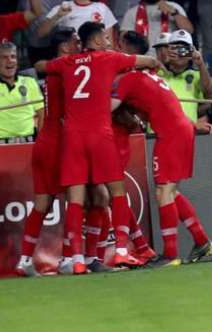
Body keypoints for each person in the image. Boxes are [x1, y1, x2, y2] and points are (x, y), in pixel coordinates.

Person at [36, 21, 161, 274]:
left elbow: (41, 67)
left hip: (72, 137)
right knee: (117, 191)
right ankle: (123, 252)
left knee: (75, 198)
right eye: (104, 37)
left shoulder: (66, 63)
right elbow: (147, 61)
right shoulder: (110, 58)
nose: (107, 41)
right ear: (94, 42)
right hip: (100, 134)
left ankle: (78, 260)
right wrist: (152, 67)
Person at [112, 70, 212, 267]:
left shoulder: (125, 80)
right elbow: (166, 103)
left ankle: (170, 254)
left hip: (171, 133)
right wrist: (192, 124)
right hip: (180, 128)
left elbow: (110, 107)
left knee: (163, 192)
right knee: (170, 191)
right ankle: (202, 241)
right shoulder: (147, 77)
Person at [15, 28, 81, 277]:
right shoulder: (66, 71)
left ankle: (24, 260)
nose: (79, 45)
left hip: (43, 142)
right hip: (59, 144)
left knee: (42, 204)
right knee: (71, 201)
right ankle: (66, 258)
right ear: (64, 47)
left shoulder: (51, 71)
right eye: (75, 42)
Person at [0, 43, 43, 143]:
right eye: (4, 57)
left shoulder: (30, 81)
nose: (10, 60)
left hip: (29, 141)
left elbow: (41, 113)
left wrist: (41, 140)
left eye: (13, 57)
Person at [120, 0, 193, 55]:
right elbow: (123, 42)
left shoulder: (174, 7)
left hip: (170, 58)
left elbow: (189, 31)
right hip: (142, 59)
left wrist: (174, 12)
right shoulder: (131, 12)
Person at [159, 29, 211, 131]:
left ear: (191, 53)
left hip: (186, 131)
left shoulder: (196, 74)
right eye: (176, 48)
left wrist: (200, 63)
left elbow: (206, 87)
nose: (180, 53)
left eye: (184, 50)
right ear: (169, 50)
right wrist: (164, 60)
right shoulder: (157, 73)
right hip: (159, 132)